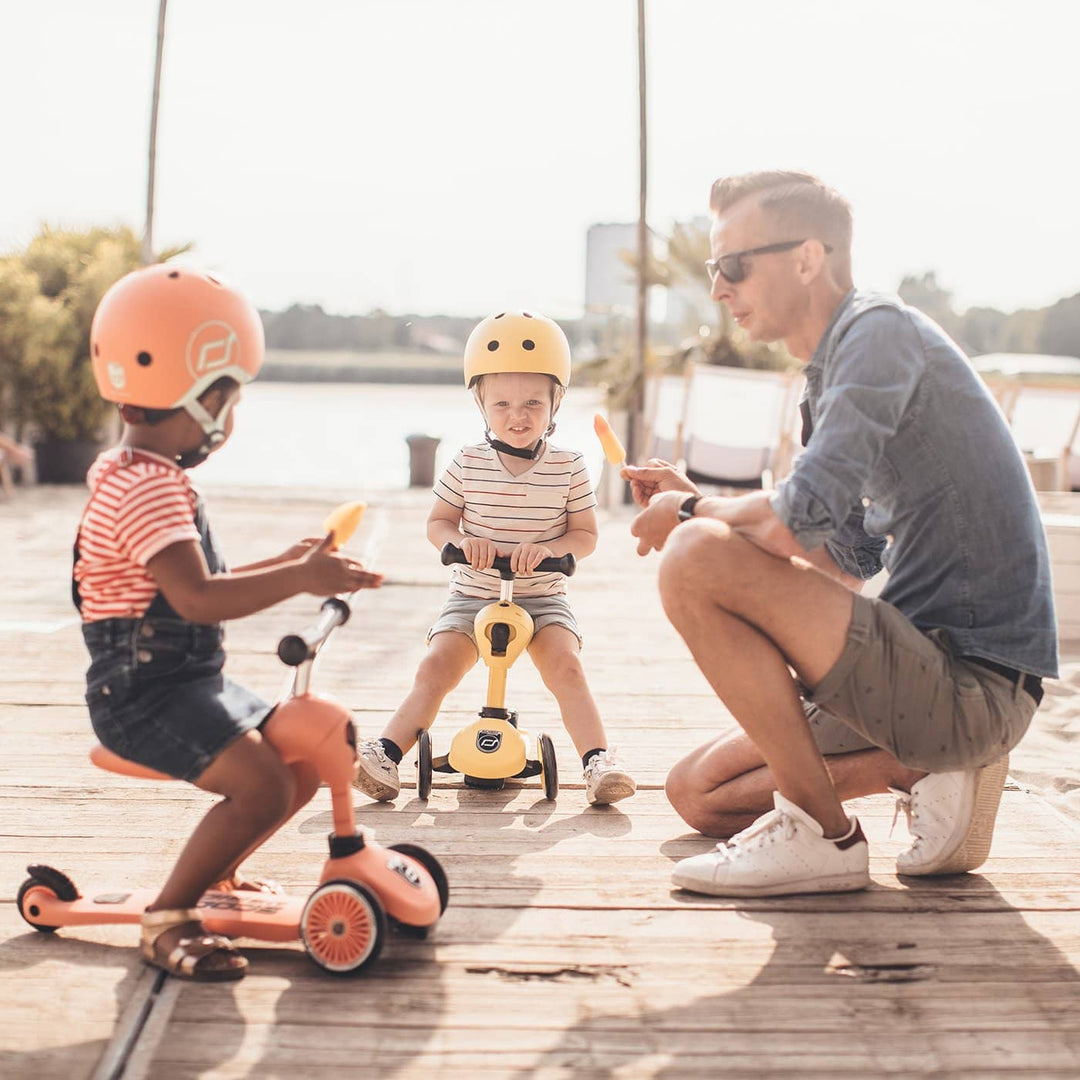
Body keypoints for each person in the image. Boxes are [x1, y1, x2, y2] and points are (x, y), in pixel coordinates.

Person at [624, 170, 1056, 898]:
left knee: (693, 555)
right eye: (713, 270)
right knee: (698, 795)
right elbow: (844, 560)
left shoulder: (878, 331)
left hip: (974, 681)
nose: (718, 289)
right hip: (914, 665)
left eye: (732, 265)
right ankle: (910, 769)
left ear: (807, 258)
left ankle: (824, 837)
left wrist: (694, 517)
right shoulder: (827, 382)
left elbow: (795, 518)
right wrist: (699, 501)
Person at [75, 265, 381, 980]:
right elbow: (196, 602)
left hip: (184, 682)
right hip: (143, 695)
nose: (231, 418)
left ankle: (220, 871)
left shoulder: (140, 474)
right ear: (199, 396)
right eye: (230, 399)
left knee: (296, 764)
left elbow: (199, 585)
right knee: (266, 786)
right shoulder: (147, 489)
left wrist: (283, 561)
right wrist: (300, 579)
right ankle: (168, 917)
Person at [353, 310, 636, 806]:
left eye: (532, 403)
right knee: (436, 667)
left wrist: (551, 550)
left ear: (556, 403)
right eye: (501, 403)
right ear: (481, 404)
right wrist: (462, 544)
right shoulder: (466, 462)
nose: (517, 415)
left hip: (543, 598)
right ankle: (387, 754)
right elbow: (438, 522)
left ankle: (598, 761)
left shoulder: (569, 466)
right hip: (472, 592)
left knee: (566, 667)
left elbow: (585, 535)